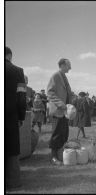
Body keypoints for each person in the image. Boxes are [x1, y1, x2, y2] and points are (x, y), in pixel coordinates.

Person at [5, 47, 26, 189]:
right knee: (12, 149)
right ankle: (13, 182)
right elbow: (21, 98)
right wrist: (21, 116)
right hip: (10, 115)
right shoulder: (17, 71)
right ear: (10, 56)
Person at [47, 58, 72, 166]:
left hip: (64, 112)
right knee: (56, 134)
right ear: (62, 65)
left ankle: (60, 154)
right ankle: (53, 157)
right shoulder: (55, 76)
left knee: (64, 133)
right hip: (58, 111)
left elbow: (66, 93)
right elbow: (50, 92)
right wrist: (61, 104)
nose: (70, 68)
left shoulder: (64, 76)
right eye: (68, 65)